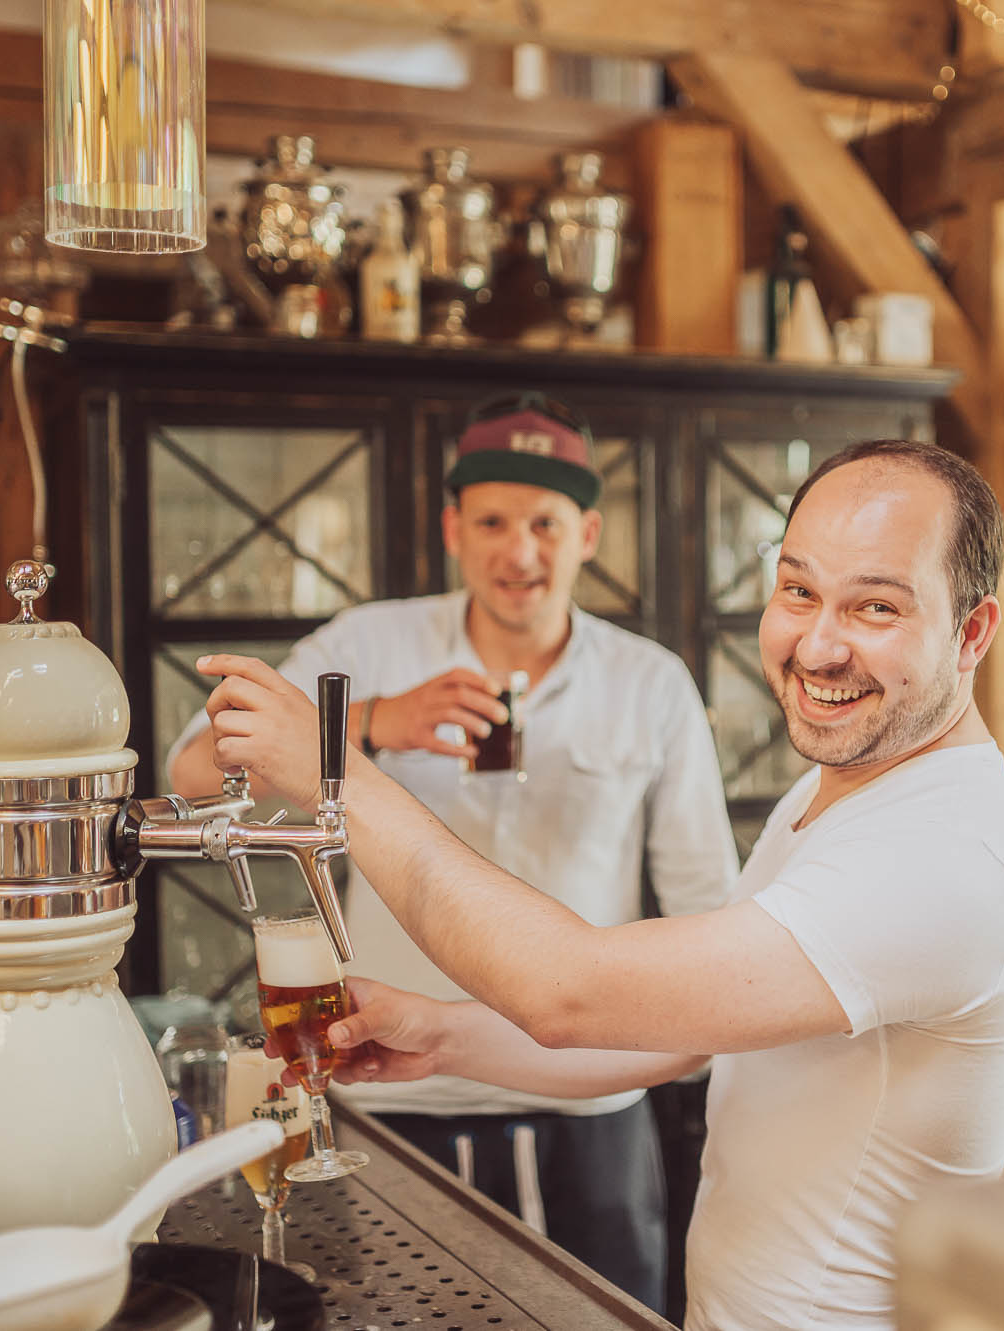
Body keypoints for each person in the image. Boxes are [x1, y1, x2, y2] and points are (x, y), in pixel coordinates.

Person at [196, 439, 1004, 1331]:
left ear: (972, 632)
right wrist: (441, 1035)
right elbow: (683, 1036)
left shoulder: (940, 858)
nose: (819, 644)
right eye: (799, 590)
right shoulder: (841, 790)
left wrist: (347, 777)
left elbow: (569, 990)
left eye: (875, 606)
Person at [166, 392, 737, 1313]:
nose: (520, 552)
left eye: (545, 523)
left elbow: (706, 906)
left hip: (587, 1107)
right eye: (494, 521)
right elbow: (192, 766)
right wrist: (376, 723)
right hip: (387, 1102)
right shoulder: (372, 642)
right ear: (452, 529)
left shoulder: (651, 683)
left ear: (588, 531)